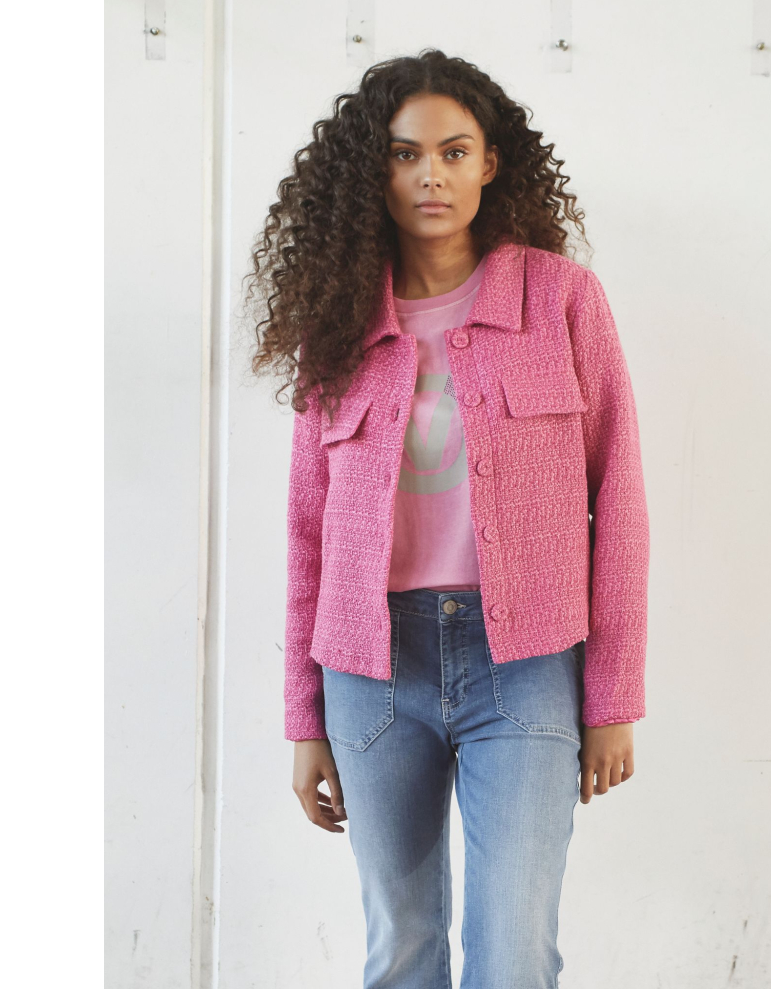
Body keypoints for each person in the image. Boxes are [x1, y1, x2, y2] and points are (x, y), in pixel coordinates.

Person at [246, 48, 650, 989]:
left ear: (490, 163)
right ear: (373, 172)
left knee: (514, 948)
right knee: (402, 945)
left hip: (528, 662)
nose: (431, 175)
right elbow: (308, 533)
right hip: (370, 669)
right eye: (405, 154)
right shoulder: (338, 323)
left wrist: (614, 697)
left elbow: (621, 498)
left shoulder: (561, 299)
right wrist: (305, 719)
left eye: (454, 152)